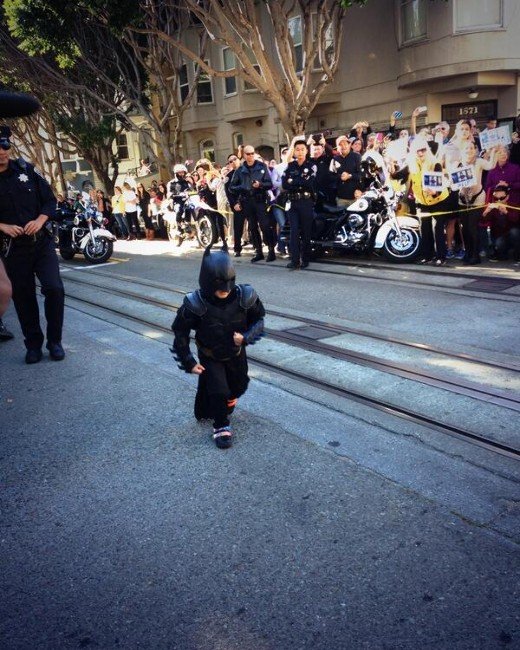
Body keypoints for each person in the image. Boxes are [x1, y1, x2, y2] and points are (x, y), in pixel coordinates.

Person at [171, 247, 265, 449]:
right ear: (206, 281)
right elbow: (180, 332)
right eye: (220, 287)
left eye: (227, 287)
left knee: (239, 385)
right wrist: (188, 362)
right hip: (210, 354)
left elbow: (259, 321)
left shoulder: (245, 296)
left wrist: (246, 337)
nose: (225, 291)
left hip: (236, 353)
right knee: (218, 390)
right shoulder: (195, 303)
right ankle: (221, 425)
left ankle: (226, 402)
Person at [0, 125, 65, 363]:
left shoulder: (26, 169)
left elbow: (49, 201)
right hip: (13, 248)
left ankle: (55, 341)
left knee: (54, 289)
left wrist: (40, 220)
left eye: (5, 145)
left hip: (41, 244)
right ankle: (33, 345)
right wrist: (2, 226)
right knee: (24, 297)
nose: (2, 151)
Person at [229, 145, 276, 263]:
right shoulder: (240, 170)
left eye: (252, 153)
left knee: (265, 226)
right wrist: (243, 187)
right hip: (247, 201)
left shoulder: (261, 166)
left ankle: (271, 250)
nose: (250, 156)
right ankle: (258, 251)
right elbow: (231, 187)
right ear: (243, 155)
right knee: (253, 227)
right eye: (247, 154)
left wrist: (260, 185)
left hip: (260, 200)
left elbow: (269, 184)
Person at [282, 139, 316, 270]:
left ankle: (305, 258)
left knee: (306, 232)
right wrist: (300, 180)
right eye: (297, 149)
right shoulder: (290, 166)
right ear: (294, 152)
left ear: (306, 151)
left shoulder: (311, 165)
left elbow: (309, 183)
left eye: (302, 149)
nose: (300, 152)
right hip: (293, 203)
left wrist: (293, 181)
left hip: (306, 202)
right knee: (294, 231)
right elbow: (285, 184)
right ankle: (294, 260)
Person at [331, 135, 362, 207]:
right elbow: (331, 176)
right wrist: (340, 177)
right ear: (337, 147)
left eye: (345, 144)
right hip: (341, 198)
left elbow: (361, 174)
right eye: (340, 145)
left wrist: (349, 176)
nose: (343, 146)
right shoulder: (334, 159)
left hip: (355, 197)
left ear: (349, 145)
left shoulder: (357, 157)